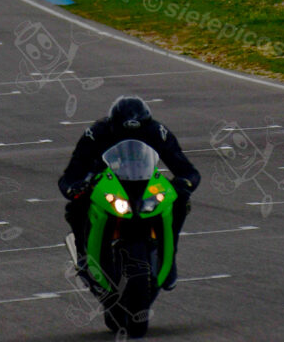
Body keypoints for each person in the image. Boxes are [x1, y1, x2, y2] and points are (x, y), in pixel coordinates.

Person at [58, 95, 200, 291]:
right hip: (107, 181)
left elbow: (187, 170)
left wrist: (183, 183)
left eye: (137, 133)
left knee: (180, 201)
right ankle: (83, 255)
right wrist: (75, 187)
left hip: (145, 181)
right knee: (76, 206)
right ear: (113, 125)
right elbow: (72, 172)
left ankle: (169, 256)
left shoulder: (158, 132)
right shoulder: (96, 133)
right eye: (124, 133)